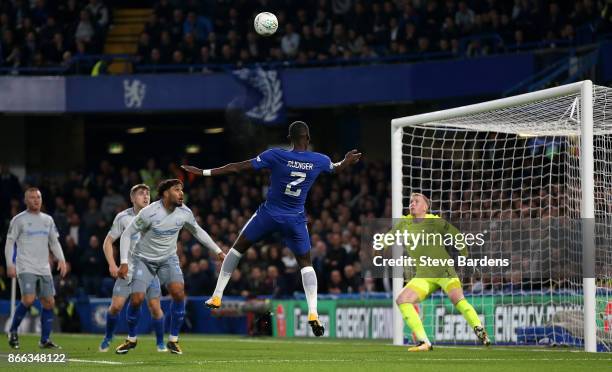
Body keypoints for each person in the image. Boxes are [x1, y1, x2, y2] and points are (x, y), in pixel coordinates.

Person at [182, 121, 361, 337]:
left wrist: (203, 172)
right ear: (308, 137)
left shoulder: (276, 155)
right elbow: (336, 167)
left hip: (269, 215)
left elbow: (237, 167)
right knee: (306, 264)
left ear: (289, 138)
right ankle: (313, 312)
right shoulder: (319, 160)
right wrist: (347, 161)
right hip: (295, 219)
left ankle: (217, 295)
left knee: (237, 249)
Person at [116, 179, 225, 354]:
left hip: (168, 259)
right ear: (166, 193)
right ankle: (131, 339)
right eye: (176, 190)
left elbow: (197, 231)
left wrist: (218, 251)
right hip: (143, 259)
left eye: (182, 190)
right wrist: (124, 262)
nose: (181, 193)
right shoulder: (149, 213)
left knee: (178, 293)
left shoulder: (184, 212)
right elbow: (127, 234)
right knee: (136, 299)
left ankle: (173, 340)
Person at [392, 193, 490, 351]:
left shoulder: (435, 221)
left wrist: (465, 256)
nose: (412, 204)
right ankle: (424, 342)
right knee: (402, 299)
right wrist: (380, 245)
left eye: (417, 201)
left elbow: (456, 235)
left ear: (425, 207)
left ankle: (480, 330)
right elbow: (389, 237)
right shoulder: (404, 222)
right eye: (411, 201)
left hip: (444, 270)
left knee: (457, 299)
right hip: (424, 275)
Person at [99, 184, 166, 352]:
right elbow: (108, 241)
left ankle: (160, 343)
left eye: (148, 193)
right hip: (128, 271)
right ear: (132, 198)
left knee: (155, 308)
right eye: (141, 193)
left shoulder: (158, 216)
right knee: (116, 307)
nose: (146, 196)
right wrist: (112, 264)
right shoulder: (123, 218)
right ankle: (108, 336)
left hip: (150, 270)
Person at [4, 187, 67, 349]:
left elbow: (54, 242)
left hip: (44, 268)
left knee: (49, 302)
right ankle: (12, 331)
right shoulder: (19, 220)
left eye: (38, 197)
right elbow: (10, 242)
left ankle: (45, 340)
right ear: (25, 200)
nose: (36, 200)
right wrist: (10, 264)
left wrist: (61, 259)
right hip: (25, 266)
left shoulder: (48, 220)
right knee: (29, 299)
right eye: (32, 198)